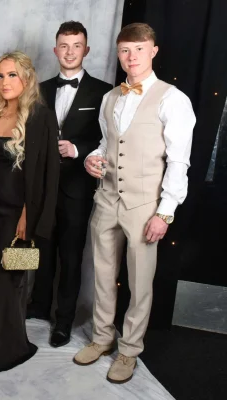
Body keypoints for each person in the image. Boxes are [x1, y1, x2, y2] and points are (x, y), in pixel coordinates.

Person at [74, 23, 195, 384]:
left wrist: (165, 212)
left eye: (139, 49)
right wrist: (91, 159)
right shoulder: (111, 97)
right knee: (101, 275)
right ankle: (101, 338)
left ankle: (129, 350)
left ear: (153, 51)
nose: (131, 57)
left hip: (145, 205)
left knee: (140, 283)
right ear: (118, 53)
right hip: (106, 198)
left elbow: (179, 161)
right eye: (125, 50)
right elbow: (106, 143)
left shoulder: (173, 99)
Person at [0, 51, 60, 372]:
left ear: (26, 77)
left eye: (12, 75)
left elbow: (48, 173)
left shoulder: (41, 116)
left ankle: (8, 349)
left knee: (13, 279)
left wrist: (28, 216)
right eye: (0, 75)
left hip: (19, 215)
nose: (5, 81)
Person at [29, 21, 112, 348]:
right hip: (43, 187)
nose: (69, 52)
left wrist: (77, 149)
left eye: (76, 45)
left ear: (86, 50)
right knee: (42, 248)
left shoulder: (104, 91)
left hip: (77, 188)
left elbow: (109, 139)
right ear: (55, 50)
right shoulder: (40, 89)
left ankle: (63, 321)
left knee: (71, 255)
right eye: (64, 45)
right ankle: (38, 305)